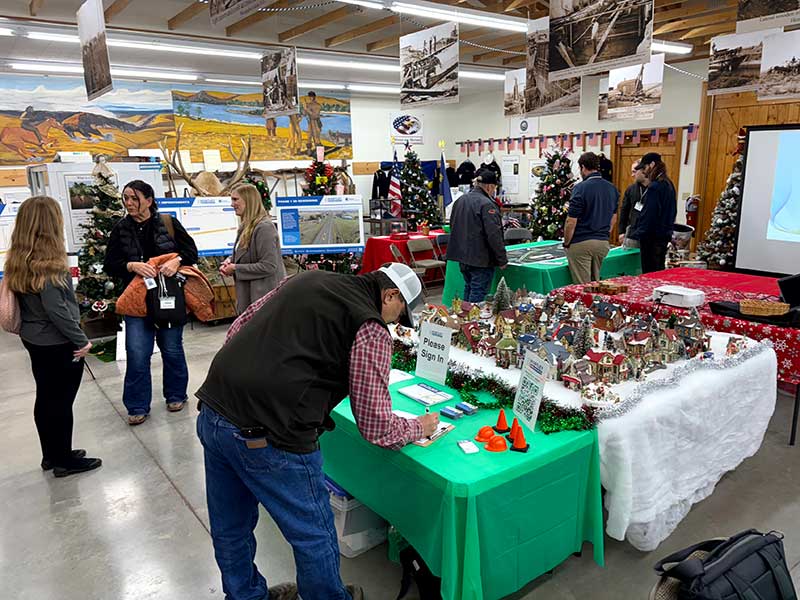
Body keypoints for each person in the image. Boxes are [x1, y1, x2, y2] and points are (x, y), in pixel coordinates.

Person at [195, 263, 438, 600]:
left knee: (229, 526)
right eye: (399, 313)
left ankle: (244, 596)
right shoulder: (369, 327)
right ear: (390, 295)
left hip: (214, 409)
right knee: (313, 534)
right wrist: (419, 426)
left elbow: (238, 328)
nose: (395, 323)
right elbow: (377, 427)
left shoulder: (306, 279)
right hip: (271, 434)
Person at [5, 196, 101, 477]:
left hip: (33, 337)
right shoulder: (50, 265)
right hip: (57, 342)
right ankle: (64, 461)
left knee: (46, 397)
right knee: (61, 402)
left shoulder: (19, 259)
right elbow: (56, 309)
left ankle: (52, 454)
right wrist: (82, 340)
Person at [104, 180, 199, 425]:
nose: (129, 203)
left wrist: (177, 260)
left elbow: (191, 252)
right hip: (136, 300)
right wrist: (131, 265)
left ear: (149, 200)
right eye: (126, 198)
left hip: (168, 297)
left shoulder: (168, 223)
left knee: (172, 348)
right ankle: (137, 405)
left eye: (134, 198)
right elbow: (110, 264)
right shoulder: (120, 229)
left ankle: (176, 395)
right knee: (137, 353)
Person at [219, 183, 286, 314]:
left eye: (235, 199)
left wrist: (235, 268)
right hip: (250, 298)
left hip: (263, 300)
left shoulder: (264, 228)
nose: (232, 204)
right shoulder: (246, 227)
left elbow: (269, 266)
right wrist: (230, 260)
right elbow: (245, 253)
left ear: (248, 201)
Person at [446, 168, 507, 303]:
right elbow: (494, 235)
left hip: (463, 256)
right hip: (481, 259)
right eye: (494, 187)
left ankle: (466, 315)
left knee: (469, 288)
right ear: (490, 186)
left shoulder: (460, 200)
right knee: (478, 293)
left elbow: (453, 225)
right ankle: (473, 316)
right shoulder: (487, 204)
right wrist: (502, 259)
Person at [563, 152, 619, 284]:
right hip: (602, 243)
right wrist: (604, 234)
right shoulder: (612, 188)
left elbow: (571, 221)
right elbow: (614, 218)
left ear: (583, 167)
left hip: (581, 242)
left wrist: (567, 243)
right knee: (596, 284)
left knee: (583, 287)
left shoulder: (580, 188)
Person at [629, 152, 677, 273]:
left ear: (651, 165)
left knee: (650, 273)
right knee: (659, 272)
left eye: (644, 168)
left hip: (651, 239)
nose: (643, 171)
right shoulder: (668, 184)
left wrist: (637, 233)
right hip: (663, 236)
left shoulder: (655, 187)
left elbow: (649, 214)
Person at [618, 161, 646, 248]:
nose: (632, 175)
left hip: (649, 235)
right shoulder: (631, 189)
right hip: (632, 233)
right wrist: (621, 231)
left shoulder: (653, 189)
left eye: (634, 171)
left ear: (643, 170)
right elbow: (624, 211)